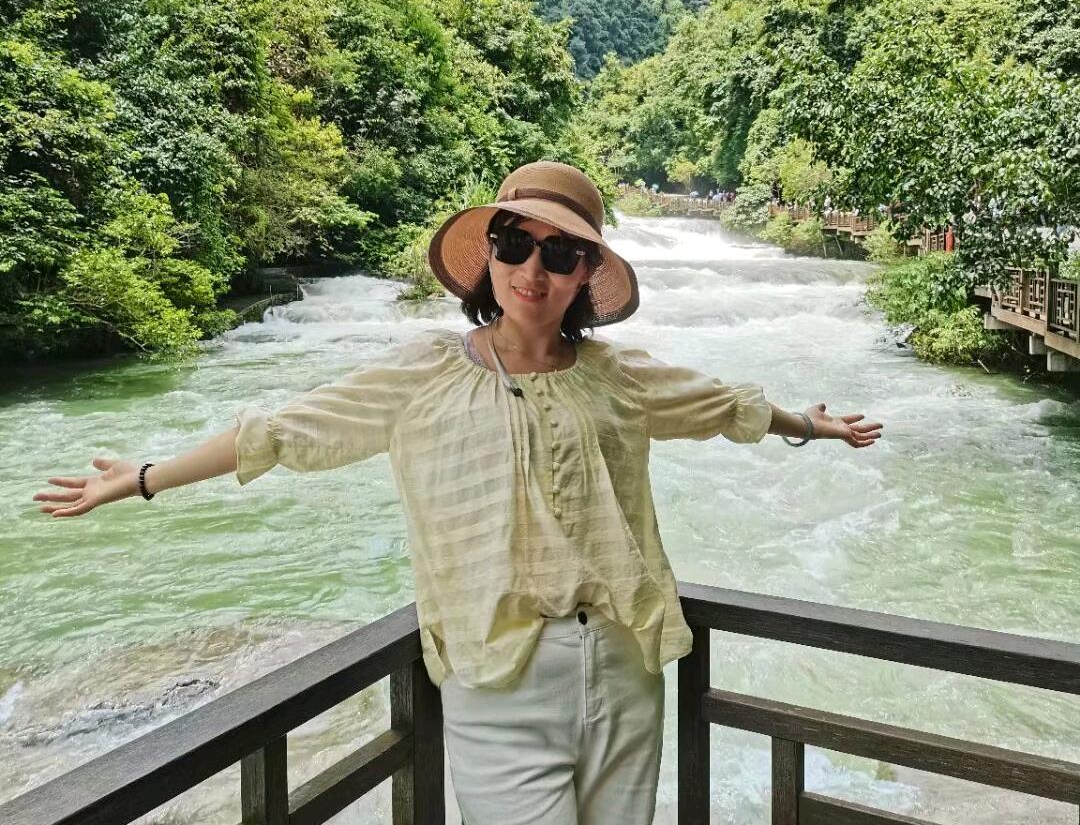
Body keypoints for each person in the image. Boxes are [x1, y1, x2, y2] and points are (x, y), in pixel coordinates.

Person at [33, 160, 883, 825]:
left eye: (560, 254)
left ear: (586, 272)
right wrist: (142, 478)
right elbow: (282, 431)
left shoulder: (617, 377)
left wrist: (807, 424)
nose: (533, 271)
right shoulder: (423, 374)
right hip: (497, 671)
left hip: (625, 662)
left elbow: (723, 406)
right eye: (516, 246)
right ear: (492, 257)